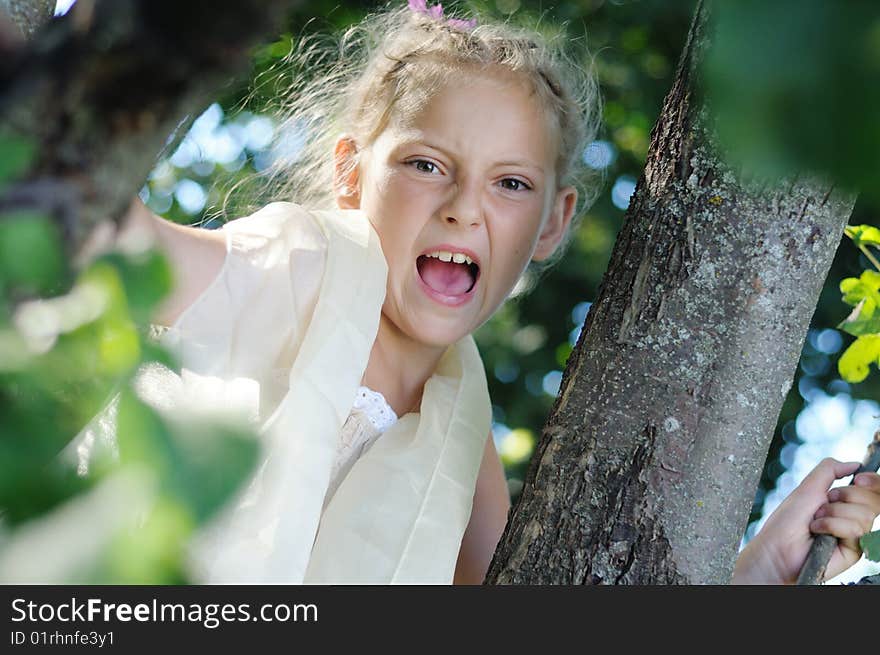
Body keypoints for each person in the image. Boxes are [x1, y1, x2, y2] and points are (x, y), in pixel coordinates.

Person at [91, 2, 880, 584]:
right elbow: (101, 236)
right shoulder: (292, 267)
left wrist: (759, 572)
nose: (464, 205)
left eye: (509, 182)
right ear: (349, 172)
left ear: (551, 222)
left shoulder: (462, 438)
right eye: (427, 164)